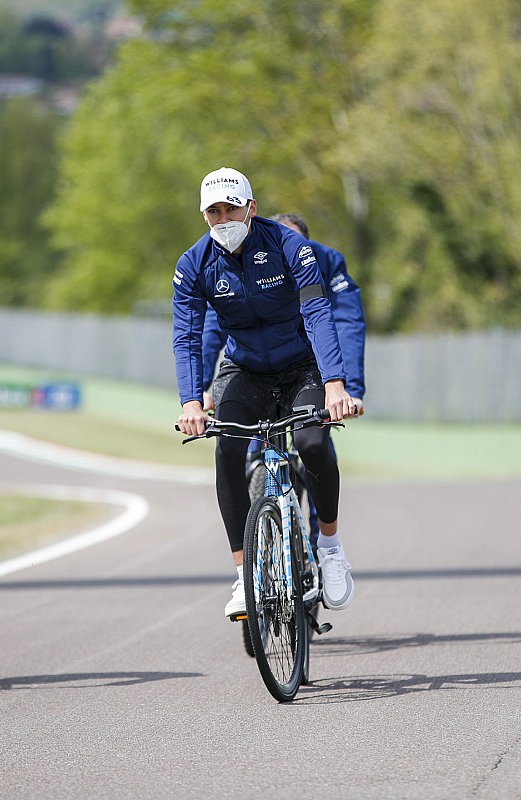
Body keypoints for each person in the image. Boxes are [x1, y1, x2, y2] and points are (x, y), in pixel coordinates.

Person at [174, 167, 358, 619]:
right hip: (245, 370)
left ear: (251, 208)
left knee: (314, 442)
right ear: (203, 215)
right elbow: (188, 335)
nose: (223, 219)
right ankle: (244, 576)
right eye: (212, 212)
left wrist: (335, 384)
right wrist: (191, 400)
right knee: (226, 451)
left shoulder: (290, 246)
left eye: (231, 208)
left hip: (302, 367)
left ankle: (331, 550)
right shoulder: (192, 264)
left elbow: (318, 311)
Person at [200, 211, 366, 548]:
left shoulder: (326, 261)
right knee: (239, 441)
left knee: (314, 446)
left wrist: (348, 387)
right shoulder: (242, 261)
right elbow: (218, 324)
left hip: (311, 366)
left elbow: (345, 324)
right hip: (257, 369)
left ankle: (324, 549)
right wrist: (202, 387)